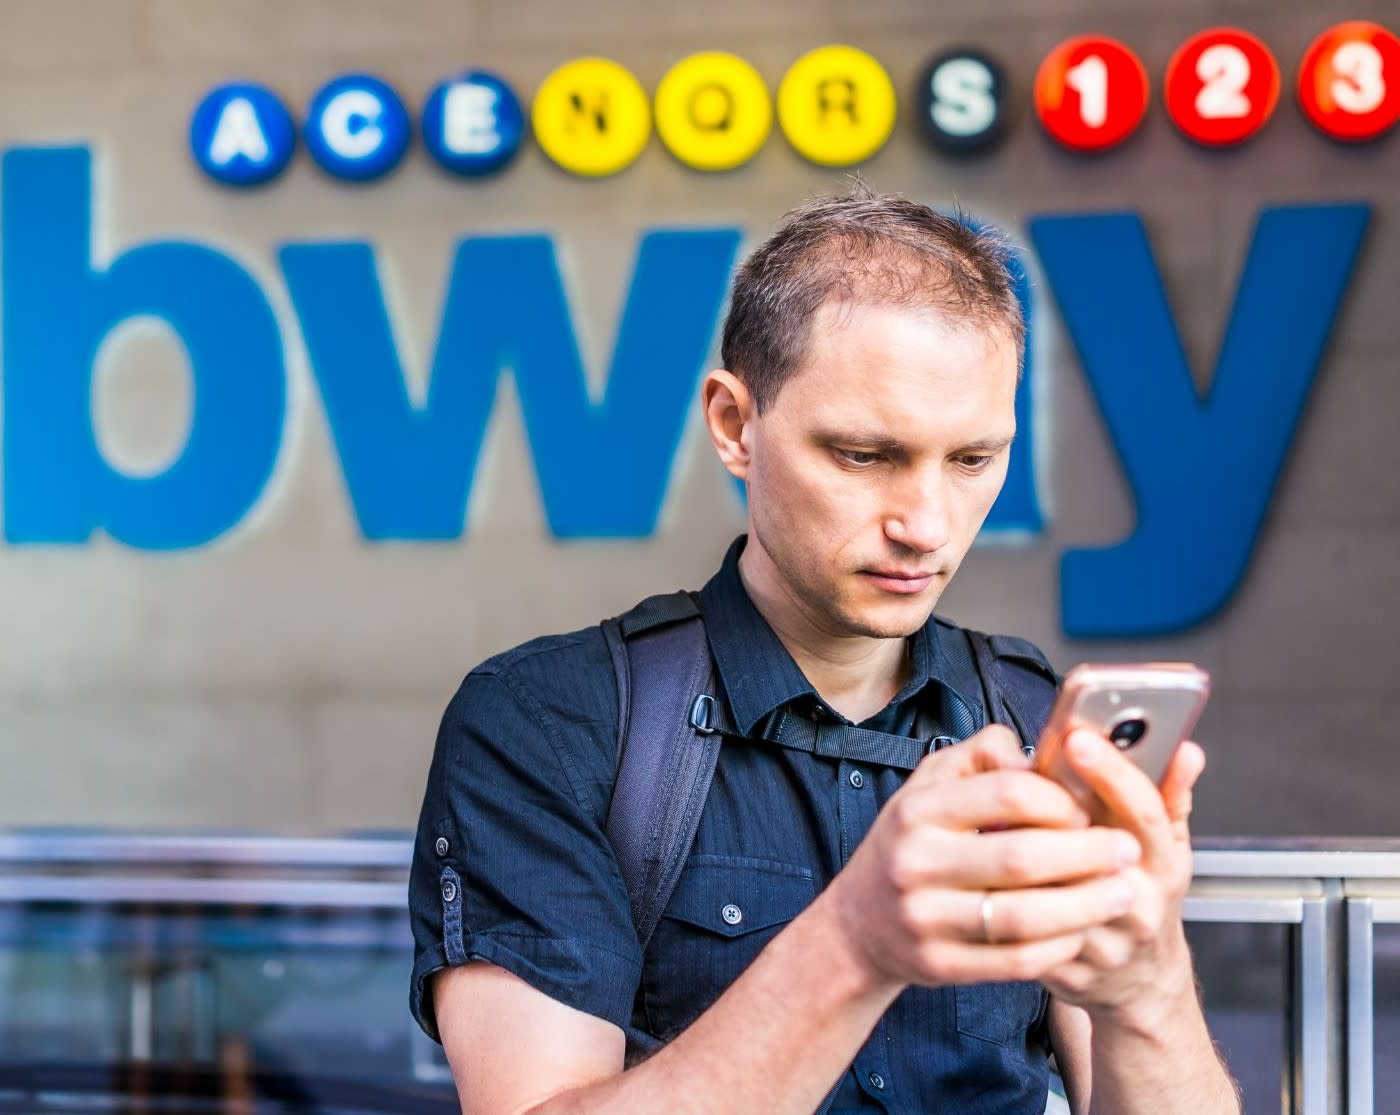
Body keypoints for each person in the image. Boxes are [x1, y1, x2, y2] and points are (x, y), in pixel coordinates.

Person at [407, 186, 1241, 1113]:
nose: (926, 526)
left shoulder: (1033, 718)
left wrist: (1146, 982)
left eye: (972, 460)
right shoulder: (553, 723)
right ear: (735, 425)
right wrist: (852, 943)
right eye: (862, 454)